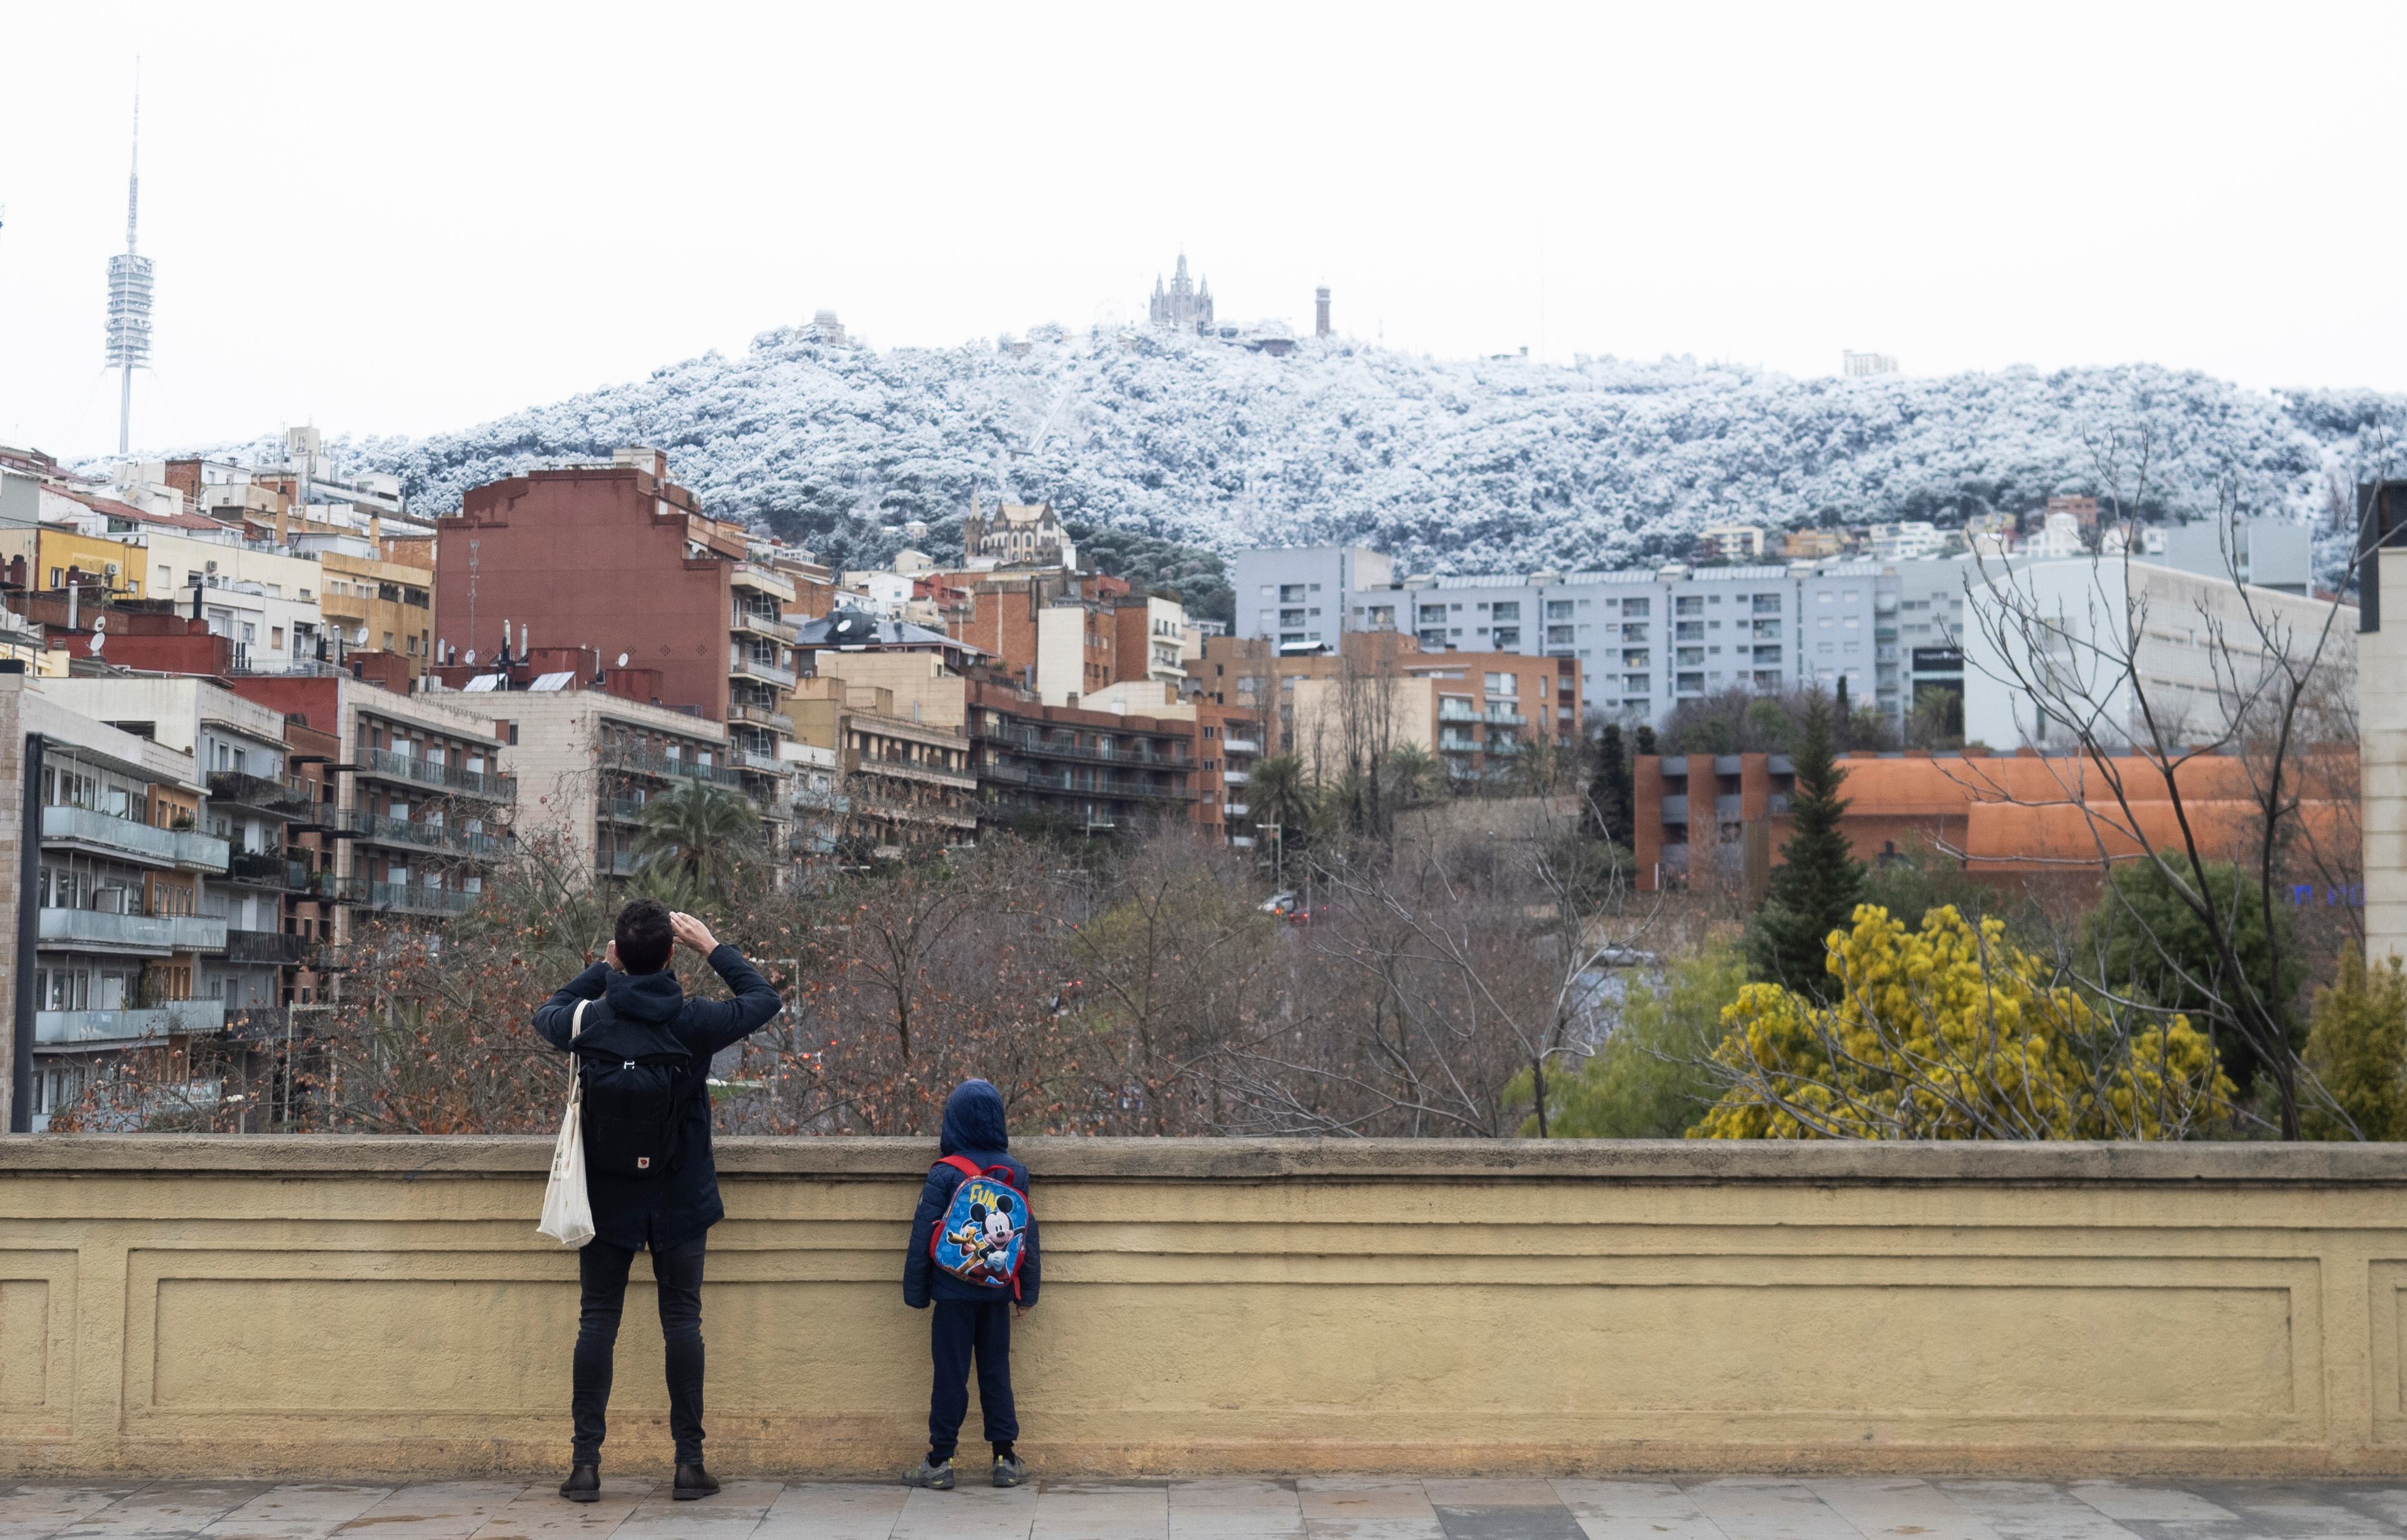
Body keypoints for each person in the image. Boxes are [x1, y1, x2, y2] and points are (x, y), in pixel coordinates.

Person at [534, 900, 782, 1504]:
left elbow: (545, 1011)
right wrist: (712, 945)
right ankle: (688, 1466)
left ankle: (585, 1468)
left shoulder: (589, 1020)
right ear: (672, 953)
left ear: (620, 953)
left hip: (607, 1196)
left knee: (597, 1321)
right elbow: (763, 999)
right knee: (682, 1323)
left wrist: (602, 967)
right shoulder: (692, 1018)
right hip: (679, 1192)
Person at [902, 1079, 1041, 1490]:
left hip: (950, 1294)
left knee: (950, 1374)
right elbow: (1027, 1235)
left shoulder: (945, 1172)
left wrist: (916, 1291)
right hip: (997, 1293)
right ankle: (1004, 1457)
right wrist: (1026, 1292)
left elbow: (920, 1234)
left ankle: (940, 1460)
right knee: (996, 1372)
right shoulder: (1014, 1171)